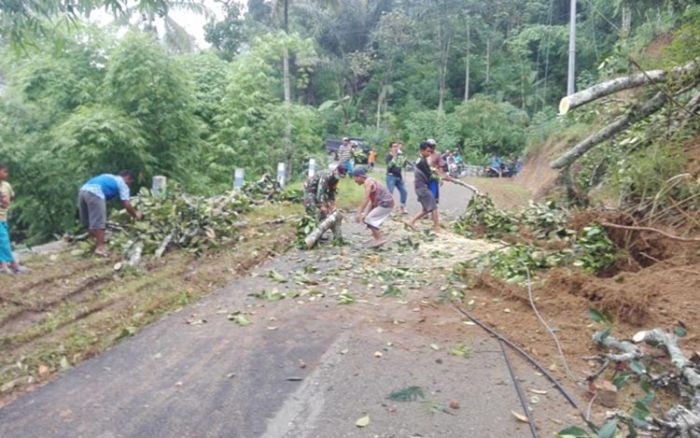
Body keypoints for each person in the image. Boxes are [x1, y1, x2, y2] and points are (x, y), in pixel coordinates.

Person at [79, 171, 141, 257]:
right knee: (100, 222)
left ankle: (92, 242)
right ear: (127, 178)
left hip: (83, 190)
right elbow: (126, 204)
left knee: (88, 221)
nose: (129, 185)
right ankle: (100, 248)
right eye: (130, 182)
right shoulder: (122, 184)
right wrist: (136, 215)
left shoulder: (108, 176)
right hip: (96, 193)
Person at [352, 167, 394, 248]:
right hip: (386, 203)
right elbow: (371, 201)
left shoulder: (368, 182)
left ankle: (379, 239)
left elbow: (366, 198)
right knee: (368, 218)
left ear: (359, 176)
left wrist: (359, 212)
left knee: (369, 220)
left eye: (355, 178)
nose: (355, 181)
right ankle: (377, 240)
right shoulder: (370, 180)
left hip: (386, 203)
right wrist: (365, 213)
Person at [303, 164, 347, 240]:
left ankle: (320, 233)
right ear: (335, 171)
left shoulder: (336, 179)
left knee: (325, 213)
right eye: (339, 175)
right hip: (311, 189)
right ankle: (309, 234)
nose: (339, 177)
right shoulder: (326, 176)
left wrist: (332, 205)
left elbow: (332, 192)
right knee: (312, 210)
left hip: (322, 191)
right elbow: (320, 192)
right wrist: (322, 205)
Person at [0, 163, 30, 274]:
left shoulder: (6, 185)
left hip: (3, 217)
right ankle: (14, 265)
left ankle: (3, 265)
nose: (6, 174)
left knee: (2, 242)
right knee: (3, 242)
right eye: (4, 171)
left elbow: (8, 201)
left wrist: (4, 201)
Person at [407, 142, 441, 232]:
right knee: (433, 206)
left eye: (430, 151)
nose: (429, 153)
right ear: (422, 151)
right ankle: (436, 226)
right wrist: (441, 178)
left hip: (420, 187)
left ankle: (411, 222)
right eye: (428, 151)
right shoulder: (422, 161)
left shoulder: (421, 160)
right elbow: (430, 174)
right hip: (422, 188)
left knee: (426, 209)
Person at [385, 142, 408, 214]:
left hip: (398, 176)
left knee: (404, 192)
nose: (396, 148)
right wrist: (394, 157)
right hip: (390, 176)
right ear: (390, 148)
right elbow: (389, 166)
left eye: (397, 147)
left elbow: (402, 166)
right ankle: (387, 209)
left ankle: (402, 207)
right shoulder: (388, 156)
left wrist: (405, 162)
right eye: (394, 146)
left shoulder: (400, 156)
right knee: (390, 193)